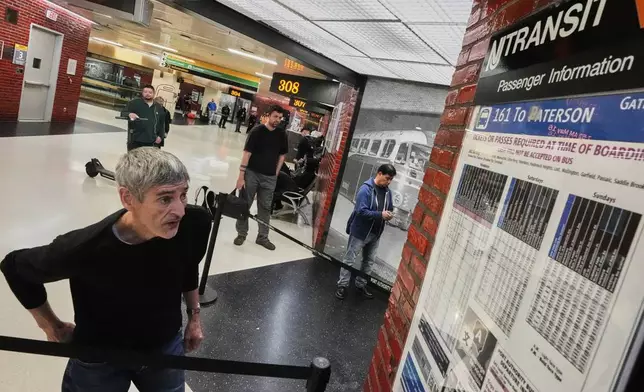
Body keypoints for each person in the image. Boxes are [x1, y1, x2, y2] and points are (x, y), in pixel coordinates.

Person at [0, 148, 212, 392]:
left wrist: (194, 317)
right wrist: (52, 326)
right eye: (165, 199)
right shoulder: (85, 247)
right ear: (128, 198)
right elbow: (15, 267)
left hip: (164, 349)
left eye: (183, 195)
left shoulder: (194, 224)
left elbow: (187, 265)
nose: (180, 210)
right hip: (99, 359)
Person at [335, 164, 396, 300]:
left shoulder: (388, 192)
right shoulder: (365, 189)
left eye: (391, 180)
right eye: (387, 178)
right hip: (360, 232)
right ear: (379, 173)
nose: (389, 182)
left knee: (369, 261)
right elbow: (360, 211)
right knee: (349, 259)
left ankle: (360, 284)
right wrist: (380, 215)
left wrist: (390, 214)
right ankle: (342, 285)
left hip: (375, 234)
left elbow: (390, 207)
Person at [234, 105, 288, 250]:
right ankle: (241, 233)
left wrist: (276, 172)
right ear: (268, 116)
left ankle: (262, 237)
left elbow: (282, 155)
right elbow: (247, 154)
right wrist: (241, 176)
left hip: (269, 177)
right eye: (275, 116)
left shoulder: (281, 134)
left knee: (265, 207)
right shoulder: (256, 131)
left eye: (280, 118)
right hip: (251, 174)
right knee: (245, 204)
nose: (277, 120)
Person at [123, 84, 165, 151]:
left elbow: (162, 123)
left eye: (150, 92)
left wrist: (161, 136)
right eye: (145, 92)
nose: (147, 94)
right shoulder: (134, 103)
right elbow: (123, 112)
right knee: (134, 160)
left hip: (151, 141)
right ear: (142, 93)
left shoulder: (158, 107)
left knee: (148, 160)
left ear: (154, 94)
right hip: (135, 139)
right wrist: (130, 114)